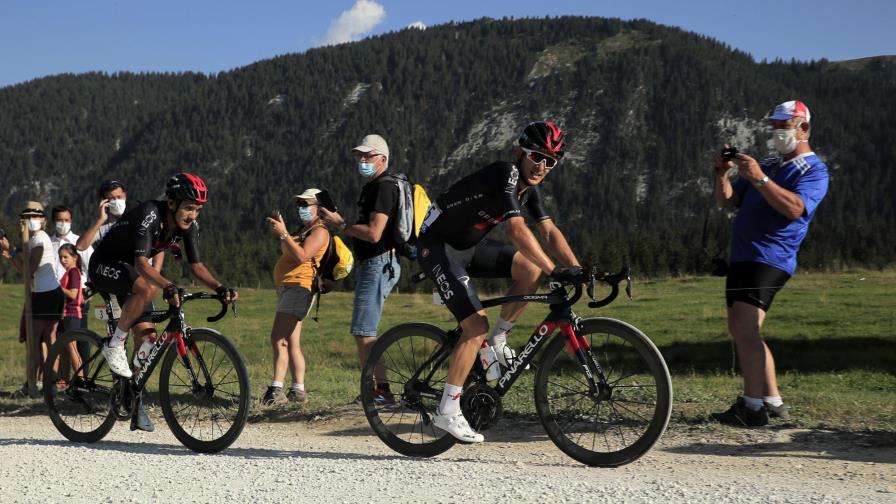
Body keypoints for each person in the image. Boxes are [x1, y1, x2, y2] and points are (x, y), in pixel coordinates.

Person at [414, 120, 583, 442]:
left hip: (469, 245)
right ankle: (448, 410)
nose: (542, 166)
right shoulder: (505, 173)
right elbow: (517, 231)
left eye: (551, 161)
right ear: (520, 152)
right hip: (437, 246)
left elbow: (548, 231)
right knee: (474, 326)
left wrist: (577, 268)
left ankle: (499, 341)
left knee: (528, 271)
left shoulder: (529, 189)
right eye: (537, 157)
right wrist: (554, 270)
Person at [88, 172, 238, 432]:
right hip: (106, 265)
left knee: (147, 341)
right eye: (189, 208)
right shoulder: (150, 213)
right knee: (148, 288)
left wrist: (220, 287)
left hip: (133, 276)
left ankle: (132, 395)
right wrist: (167, 285)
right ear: (172, 203)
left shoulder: (189, 227)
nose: (192, 215)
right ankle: (115, 344)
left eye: (198, 210)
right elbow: (142, 264)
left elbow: (196, 265)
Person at [711, 100, 829, 427]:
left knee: (745, 328)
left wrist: (760, 179)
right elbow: (728, 200)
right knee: (742, 328)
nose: (778, 132)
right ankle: (772, 401)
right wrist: (722, 172)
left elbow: (794, 208)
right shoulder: (772, 161)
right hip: (745, 255)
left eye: (785, 126)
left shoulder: (813, 169)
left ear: (803, 128)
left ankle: (752, 406)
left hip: (770, 257)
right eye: (775, 126)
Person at [319, 134, 401, 403]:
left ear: (383, 159)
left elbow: (375, 233)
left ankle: (380, 391)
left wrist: (340, 224)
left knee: (365, 331)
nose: (362, 161)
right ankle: (376, 389)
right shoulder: (377, 186)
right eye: (360, 156)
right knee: (364, 330)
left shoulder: (382, 188)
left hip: (378, 263)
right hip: (377, 263)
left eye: (368, 156)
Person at [260, 188, 330, 406]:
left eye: (306, 204)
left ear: (319, 208)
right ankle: (298, 390)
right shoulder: (304, 230)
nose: (302, 209)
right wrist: (284, 230)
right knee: (291, 342)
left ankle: (276, 389)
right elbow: (290, 250)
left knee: (278, 338)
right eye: (299, 204)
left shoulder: (320, 232)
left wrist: (283, 233)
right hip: (289, 288)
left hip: (299, 288)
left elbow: (302, 256)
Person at [1, 202, 65, 387]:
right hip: (43, 293)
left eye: (35, 216)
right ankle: (44, 379)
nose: (31, 220)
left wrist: (13, 252)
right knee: (40, 339)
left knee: (39, 338)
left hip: (47, 294)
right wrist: (12, 254)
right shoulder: (32, 240)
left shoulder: (40, 239)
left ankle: (43, 379)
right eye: (28, 217)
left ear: (43, 220)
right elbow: (25, 269)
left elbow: (30, 269)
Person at [50, 205, 91, 330]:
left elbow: (92, 266)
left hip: (78, 298)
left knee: (81, 338)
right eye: (59, 220)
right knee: (58, 336)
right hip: (55, 297)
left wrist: (88, 293)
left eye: (66, 220)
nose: (63, 223)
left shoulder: (80, 241)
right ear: (53, 221)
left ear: (71, 221)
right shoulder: (48, 243)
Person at [57, 243, 85, 383]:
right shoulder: (69, 272)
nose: (62, 260)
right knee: (65, 349)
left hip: (72, 315)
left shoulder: (73, 272)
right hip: (66, 315)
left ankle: (81, 379)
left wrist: (58, 287)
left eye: (66, 257)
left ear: (74, 257)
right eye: (60, 257)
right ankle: (64, 379)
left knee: (72, 348)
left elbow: (73, 295)